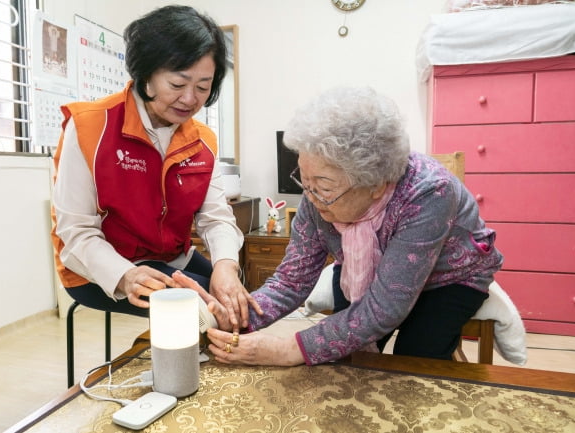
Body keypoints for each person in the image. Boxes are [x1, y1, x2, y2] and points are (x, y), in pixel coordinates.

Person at [177, 86, 504, 366]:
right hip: (368, 274)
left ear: (375, 184)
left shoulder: (430, 191)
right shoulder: (317, 195)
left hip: (448, 277)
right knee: (344, 358)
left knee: (414, 358)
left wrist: (289, 349)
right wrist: (234, 318)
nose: (311, 196)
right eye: (304, 180)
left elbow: (384, 309)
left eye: (323, 185)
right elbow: (291, 281)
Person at [51, 5, 260, 330]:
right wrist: (125, 275)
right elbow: (76, 233)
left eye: (203, 87)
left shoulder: (202, 140)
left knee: (239, 303)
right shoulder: (90, 126)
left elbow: (216, 218)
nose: (190, 99)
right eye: (178, 85)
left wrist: (226, 266)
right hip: (101, 268)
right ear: (146, 73)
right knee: (210, 314)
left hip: (171, 259)